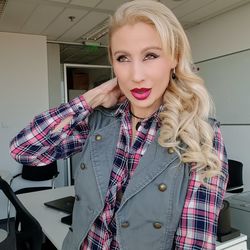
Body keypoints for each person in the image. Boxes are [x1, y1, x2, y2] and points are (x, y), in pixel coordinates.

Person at [10, 1, 228, 249]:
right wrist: (90, 99)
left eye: (151, 55)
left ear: (174, 58)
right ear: (113, 65)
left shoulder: (199, 135)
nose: (136, 75)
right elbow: (24, 149)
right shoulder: (101, 121)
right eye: (123, 58)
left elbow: (194, 243)